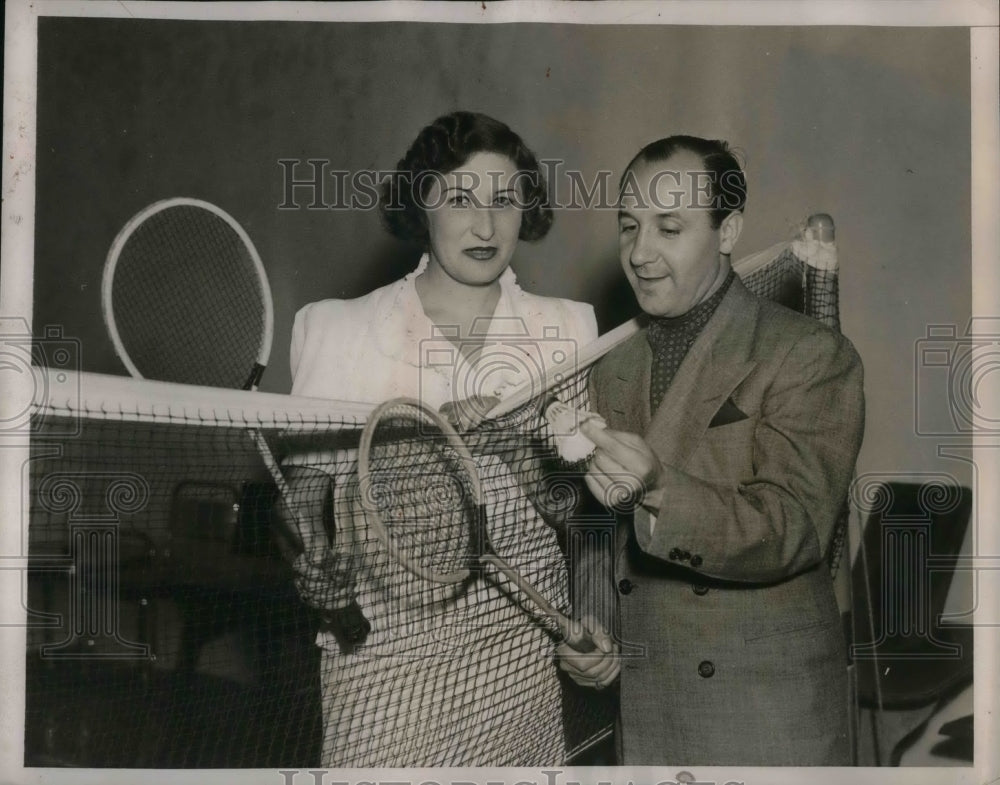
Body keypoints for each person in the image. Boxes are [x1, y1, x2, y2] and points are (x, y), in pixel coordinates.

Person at [285, 111, 598, 767]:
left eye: (504, 200)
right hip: (380, 665)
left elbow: (585, 516)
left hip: (516, 659)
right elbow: (300, 501)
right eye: (459, 198)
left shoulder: (568, 330)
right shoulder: (338, 329)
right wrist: (310, 556)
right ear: (420, 201)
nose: (485, 226)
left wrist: (518, 450)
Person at [559, 135, 865, 766]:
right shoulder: (611, 367)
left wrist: (663, 488)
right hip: (649, 711)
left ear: (728, 232)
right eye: (629, 226)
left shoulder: (808, 352)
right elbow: (603, 532)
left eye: (669, 228)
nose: (640, 253)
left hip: (764, 718)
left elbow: (793, 526)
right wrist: (596, 627)